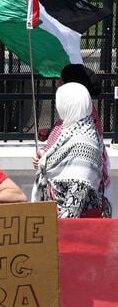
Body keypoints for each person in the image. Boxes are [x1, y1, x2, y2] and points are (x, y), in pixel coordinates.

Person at [33, 82, 112, 218]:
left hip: (73, 229)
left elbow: (76, 195)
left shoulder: (84, 143)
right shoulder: (70, 131)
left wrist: (57, 232)